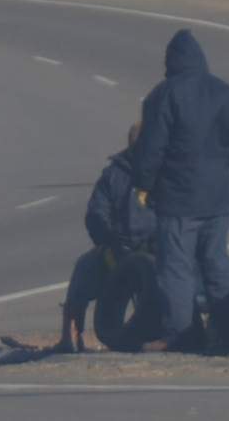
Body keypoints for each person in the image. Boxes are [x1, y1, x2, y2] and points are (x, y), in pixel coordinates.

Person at [129, 29, 229, 352]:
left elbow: (152, 147)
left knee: (176, 270)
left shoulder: (163, 95)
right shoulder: (225, 93)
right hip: (217, 200)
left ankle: (183, 336)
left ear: (171, 61)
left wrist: (143, 184)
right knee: (217, 264)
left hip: (177, 200)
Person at [59, 124, 159, 353]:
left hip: (158, 249)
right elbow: (96, 212)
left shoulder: (169, 171)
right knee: (85, 267)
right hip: (120, 248)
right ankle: (71, 334)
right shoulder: (115, 174)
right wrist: (107, 237)